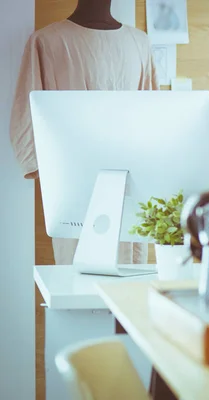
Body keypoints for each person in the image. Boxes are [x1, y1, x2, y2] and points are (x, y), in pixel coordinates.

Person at [9, 0, 158, 265]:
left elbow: (153, 113)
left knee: (128, 277)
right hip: (72, 182)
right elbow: (25, 110)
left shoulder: (140, 43)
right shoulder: (47, 42)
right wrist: (45, 168)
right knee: (75, 275)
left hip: (130, 181)